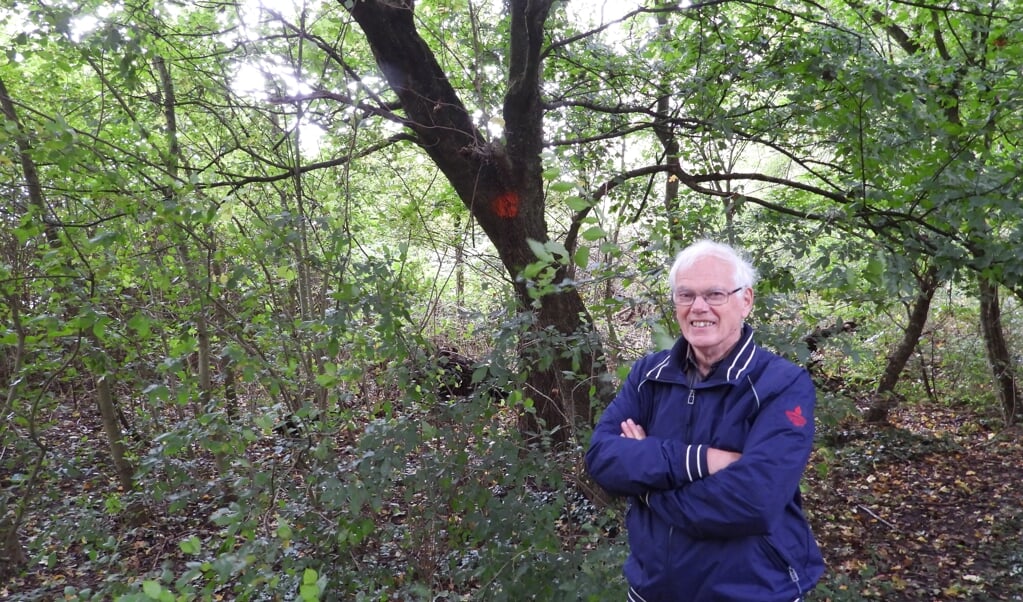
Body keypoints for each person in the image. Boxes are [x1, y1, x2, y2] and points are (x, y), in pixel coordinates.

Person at [585, 239, 824, 602]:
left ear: (745, 300)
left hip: (753, 591)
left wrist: (646, 488)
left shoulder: (781, 384)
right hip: (653, 591)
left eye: (714, 294)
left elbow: (754, 501)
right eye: (686, 295)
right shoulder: (649, 375)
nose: (699, 307)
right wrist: (703, 461)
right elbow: (602, 457)